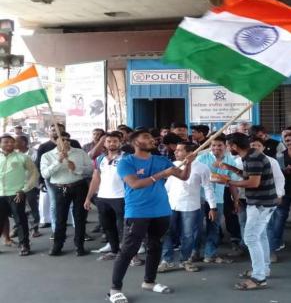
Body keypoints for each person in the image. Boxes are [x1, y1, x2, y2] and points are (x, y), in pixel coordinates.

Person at [108, 130, 194, 303]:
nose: (151, 140)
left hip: (161, 211)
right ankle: (114, 289)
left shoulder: (161, 160)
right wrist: (162, 174)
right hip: (137, 212)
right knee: (128, 250)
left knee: (155, 247)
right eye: (145, 137)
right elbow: (135, 184)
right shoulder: (126, 162)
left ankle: (149, 282)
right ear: (135, 142)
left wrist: (189, 163)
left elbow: (184, 176)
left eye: (151, 137)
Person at [222, 133, 278, 291]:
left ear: (234, 146)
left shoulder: (253, 158)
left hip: (261, 204)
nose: (227, 148)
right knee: (260, 236)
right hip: (262, 203)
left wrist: (227, 181)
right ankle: (263, 269)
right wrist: (231, 169)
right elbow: (249, 175)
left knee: (251, 238)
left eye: (228, 145)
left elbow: (253, 183)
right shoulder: (250, 156)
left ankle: (259, 277)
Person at [159, 142, 216, 273]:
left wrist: (213, 207)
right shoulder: (173, 165)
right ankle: (166, 260)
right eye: (176, 150)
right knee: (167, 232)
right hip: (170, 204)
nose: (175, 152)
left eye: (179, 150)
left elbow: (208, 188)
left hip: (190, 206)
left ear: (189, 153)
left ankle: (185, 260)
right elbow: (168, 185)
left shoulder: (202, 168)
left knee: (188, 234)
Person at [40, 132, 93, 256]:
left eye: (67, 139)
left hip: (79, 186)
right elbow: (45, 174)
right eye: (62, 139)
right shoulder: (47, 156)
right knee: (60, 218)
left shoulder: (80, 152)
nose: (65, 141)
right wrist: (58, 161)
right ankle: (57, 245)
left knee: (80, 217)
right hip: (59, 189)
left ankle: (79, 246)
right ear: (55, 141)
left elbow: (90, 170)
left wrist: (76, 168)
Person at [195, 134, 239, 263]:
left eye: (219, 145)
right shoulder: (201, 158)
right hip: (200, 197)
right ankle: (194, 252)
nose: (216, 148)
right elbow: (194, 178)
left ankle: (210, 254)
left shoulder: (230, 161)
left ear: (225, 146)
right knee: (196, 227)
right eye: (213, 145)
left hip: (218, 198)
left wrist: (236, 200)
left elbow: (232, 182)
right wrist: (217, 176)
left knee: (214, 227)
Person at [84, 132, 126, 261]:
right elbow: (96, 179)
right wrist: (88, 197)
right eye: (109, 141)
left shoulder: (127, 158)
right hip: (103, 197)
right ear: (105, 143)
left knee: (123, 228)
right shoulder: (100, 159)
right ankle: (114, 251)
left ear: (120, 142)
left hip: (121, 197)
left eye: (115, 141)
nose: (111, 143)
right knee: (108, 226)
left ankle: (128, 254)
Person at [36, 123, 81, 234]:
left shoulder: (74, 143)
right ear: (50, 132)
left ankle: (80, 231)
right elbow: (39, 166)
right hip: (53, 180)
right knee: (55, 204)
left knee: (75, 206)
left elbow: (81, 158)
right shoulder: (44, 147)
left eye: (60, 130)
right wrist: (40, 182)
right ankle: (56, 231)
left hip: (73, 178)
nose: (57, 132)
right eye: (54, 130)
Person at [0, 134, 38, 256]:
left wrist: (24, 189)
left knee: (20, 220)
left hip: (16, 194)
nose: (9, 144)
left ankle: (24, 245)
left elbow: (34, 174)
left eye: (12, 142)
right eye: (6, 142)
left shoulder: (22, 157)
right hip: (0, 194)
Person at [15, 135, 41, 238]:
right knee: (17, 208)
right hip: (16, 185)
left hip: (31, 184)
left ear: (24, 143)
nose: (14, 143)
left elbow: (34, 169)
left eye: (16, 141)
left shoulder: (34, 153)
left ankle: (34, 228)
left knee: (31, 206)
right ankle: (17, 228)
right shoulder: (14, 154)